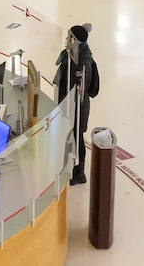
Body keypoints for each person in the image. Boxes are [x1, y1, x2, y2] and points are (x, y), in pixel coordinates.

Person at [54, 24, 99, 186]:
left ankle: (79, 172)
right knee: (71, 136)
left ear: (74, 39)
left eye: (68, 36)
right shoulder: (72, 54)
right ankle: (70, 166)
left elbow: (81, 89)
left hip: (77, 107)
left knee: (77, 138)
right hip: (69, 104)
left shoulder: (83, 61)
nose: (66, 39)